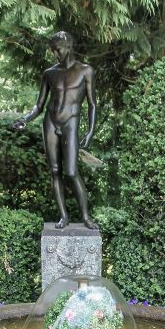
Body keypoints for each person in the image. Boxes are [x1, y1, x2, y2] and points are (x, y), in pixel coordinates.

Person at [12, 31, 98, 229]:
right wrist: (25, 119)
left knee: (71, 171)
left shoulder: (86, 70)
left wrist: (91, 131)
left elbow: (93, 104)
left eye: (57, 50)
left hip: (71, 122)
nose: (55, 54)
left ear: (68, 46)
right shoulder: (49, 73)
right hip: (50, 121)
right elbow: (39, 105)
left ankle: (85, 216)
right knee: (55, 171)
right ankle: (63, 216)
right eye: (53, 51)